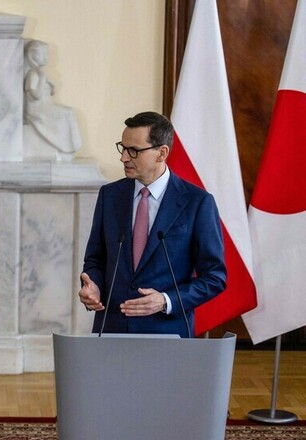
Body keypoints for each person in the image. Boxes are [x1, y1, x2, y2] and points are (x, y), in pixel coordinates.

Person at [78, 112, 226, 336]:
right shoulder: (110, 195)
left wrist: (166, 300)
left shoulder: (197, 203)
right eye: (123, 148)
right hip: (111, 330)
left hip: (167, 332)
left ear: (161, 153)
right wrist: (93, 286)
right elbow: (95, 259)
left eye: (134, 151)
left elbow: (214, 278)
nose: (124, 158)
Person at [23, 39, 82, 161]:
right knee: (67, 113)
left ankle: (70, 147)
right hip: (36, 109)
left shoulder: (40, 74)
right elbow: (36, 95)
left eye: (46, 54)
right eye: (43, 54)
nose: (46, 58)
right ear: (34, 56)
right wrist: (42, 78)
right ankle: (66, 148)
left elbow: (49, 93)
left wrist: (51, 86)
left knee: (69, 112)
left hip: (46, 105)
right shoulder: (32, 75)